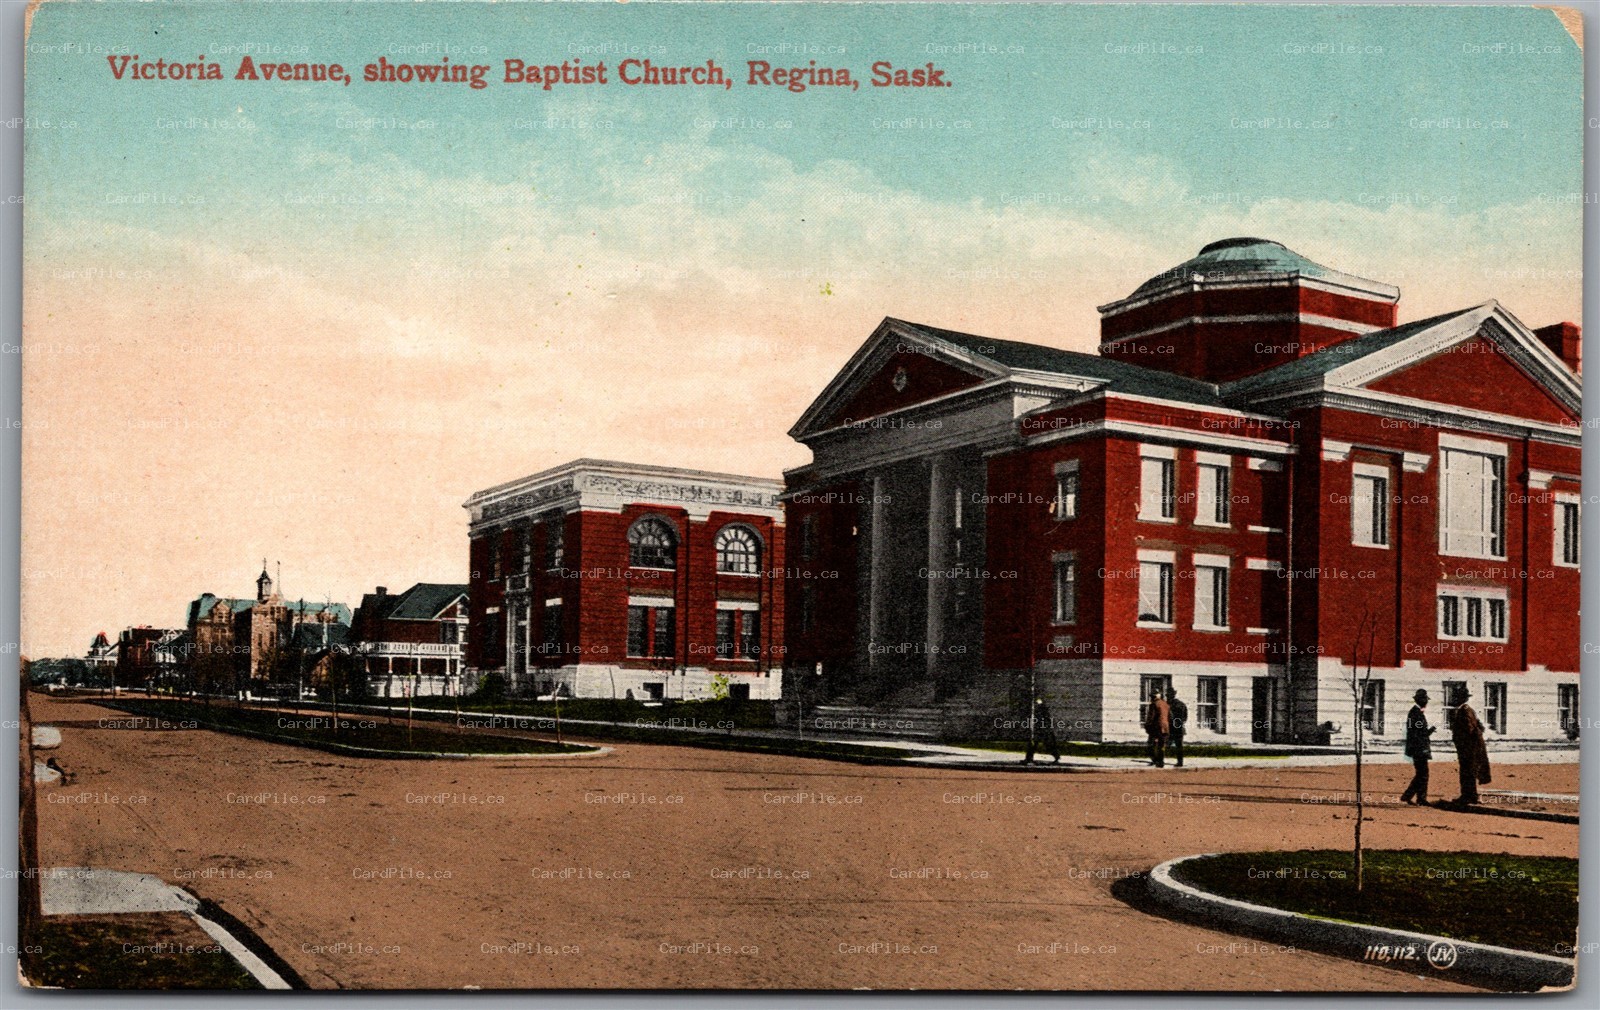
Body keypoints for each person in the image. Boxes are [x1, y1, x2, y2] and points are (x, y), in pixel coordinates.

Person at [1450, 688, 1492, 805]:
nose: (1454, 699)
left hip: (1468, 747)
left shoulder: (1463, 711)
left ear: (1460, 699)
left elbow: (1468, 729)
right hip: (1473, 746)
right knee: (1470, 772)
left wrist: (1460, 740)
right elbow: (1480, 727)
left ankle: (1466, 797)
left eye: (1456, 697)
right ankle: (1472, 796)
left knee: (1466, 772)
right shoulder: (1469, 710)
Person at [1400, 688, 1435, 806]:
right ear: (1419, 700)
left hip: (1417, 748)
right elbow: (1418, 733)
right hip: (1419, 748)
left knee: (1422, 773)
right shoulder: (1416, 713)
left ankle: (1414, 797)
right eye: (1424, 699)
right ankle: (1416, 797)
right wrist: (1430, 730)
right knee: (1423, 774)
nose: (1426, 702)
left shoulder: (1415, 712)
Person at [1023, 696, 1061, 765]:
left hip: (1042, 728)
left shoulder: (1040, 707)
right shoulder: (1038, 707)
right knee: (1034, 743)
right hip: (1040, 728)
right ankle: (1028, 758)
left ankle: (1056, 757)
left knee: (1045, 743)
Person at [1145, 690, 1171, 767]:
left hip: (1156, 727)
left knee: (1151, 744)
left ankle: (1155, 760)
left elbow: (1151, 717)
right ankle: (1161, 761)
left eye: (1152, 696)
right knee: (1162, 745)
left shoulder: (1154, 704)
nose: (1151, 698)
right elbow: (1170, 716)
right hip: (1165, 727)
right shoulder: (1166, 704)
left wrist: (1147, 726)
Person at [1166, 688, 1188, 767]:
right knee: (1179, 746)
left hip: (1171, 728)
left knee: (1164, 744)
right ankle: (1180, 762)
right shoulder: (1182, 704)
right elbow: (1185, 717)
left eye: (1168, 695)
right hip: (1179, 727)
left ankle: (1159, 760)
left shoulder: (1168, 705)